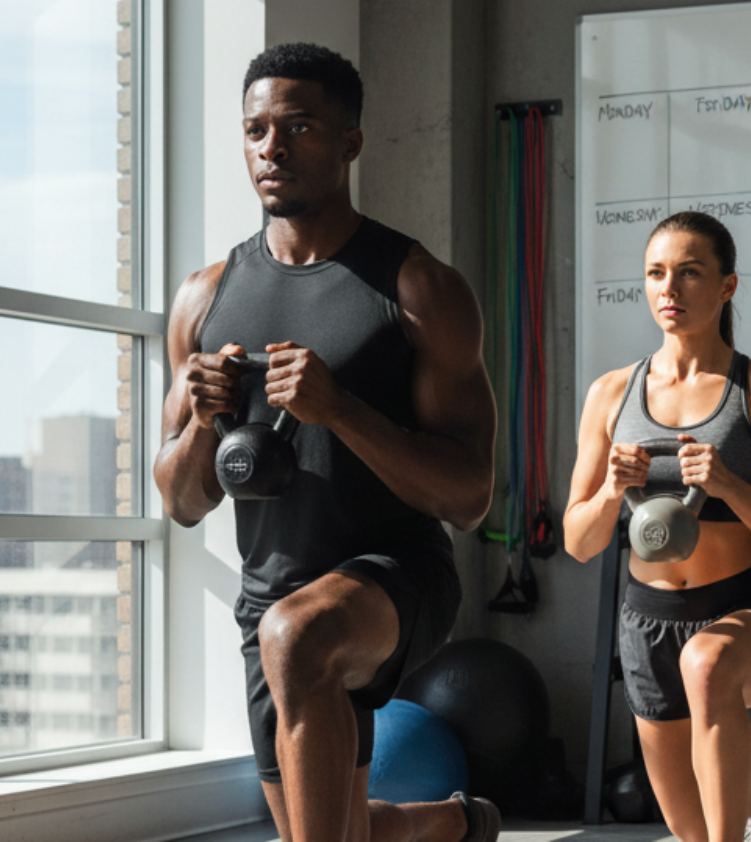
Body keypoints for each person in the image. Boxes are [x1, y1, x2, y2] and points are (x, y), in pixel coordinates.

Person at [154, 42, 499, 842]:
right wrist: (206, 420)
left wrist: (338, 408)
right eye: (256, 130)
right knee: (335, 828)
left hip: (394, 576)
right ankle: (450, 827)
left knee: (299, 635)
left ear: (349, 141)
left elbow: (469, 496)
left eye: (299, 127)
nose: (272, 148)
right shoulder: (204, 299)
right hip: (269, 590)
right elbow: (179, 502)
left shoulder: (416, 288)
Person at [564, 211, 751, 842]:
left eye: (689, 273)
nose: (669, 290)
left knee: (707, 665)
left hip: (745, 611)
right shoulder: (609, 395)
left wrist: (730, 485)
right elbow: (579, 542)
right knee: (693, 827)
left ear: (727, 286)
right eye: (656, 273)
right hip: (646, 621)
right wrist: (610, 492)